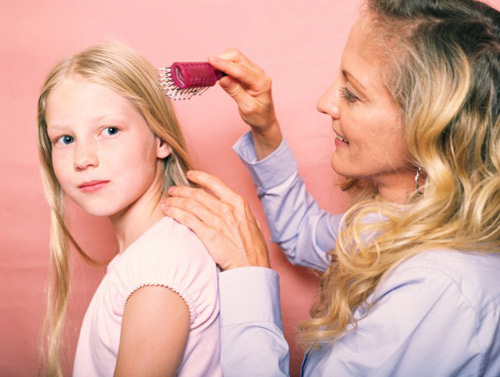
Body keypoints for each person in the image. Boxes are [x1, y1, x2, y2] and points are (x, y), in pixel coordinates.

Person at [163, 0, 500, 375]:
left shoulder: (439, 290)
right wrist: (265, 130)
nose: (325, 103)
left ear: (431, 126)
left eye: (352, 93)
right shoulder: (399, 217)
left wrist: (248, 272)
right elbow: (302, 234)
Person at [37, 41, 222, 377]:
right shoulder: (151, 255)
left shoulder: (157, 269)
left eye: (109, 131)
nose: (83, 159)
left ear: (161, 139)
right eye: (65, 139)